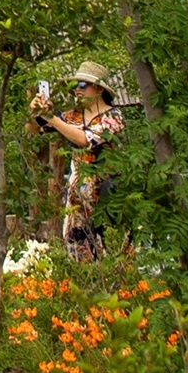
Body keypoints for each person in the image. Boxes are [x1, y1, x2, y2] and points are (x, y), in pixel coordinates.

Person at [33, 62, 128, 258]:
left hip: (107, 197)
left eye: (83, 85)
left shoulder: (114, 117)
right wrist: (37, 112)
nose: (77, 89)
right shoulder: (72, 116)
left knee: (111, 255)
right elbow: (34, 130)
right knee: (78, 256)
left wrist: (52, 118)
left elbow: (84, 140)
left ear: (99, 89)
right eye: (75, 85)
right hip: (77, 201)